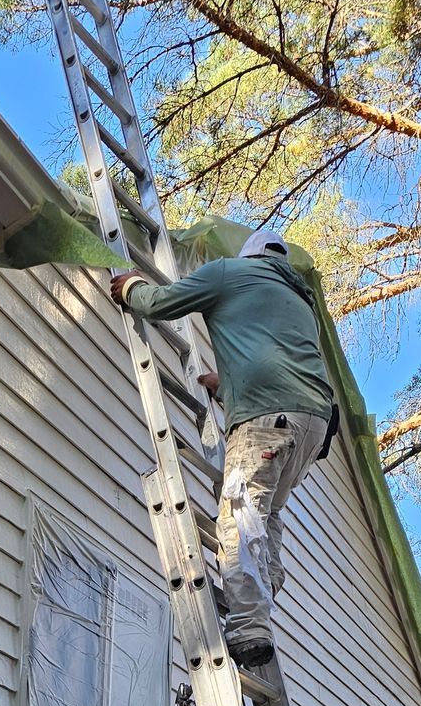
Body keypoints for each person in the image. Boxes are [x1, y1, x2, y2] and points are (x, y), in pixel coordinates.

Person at [110, 226, 335, 671]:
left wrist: (131, 286)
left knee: (239, 514)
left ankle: (251, 625)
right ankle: (263, 592)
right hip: (312, 424)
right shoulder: (297, 300)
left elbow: (159, 304)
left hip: (269, 419)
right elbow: (279, 360)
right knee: (265, 513)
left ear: (247, 256)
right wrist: (225, 385)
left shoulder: (230, 272)